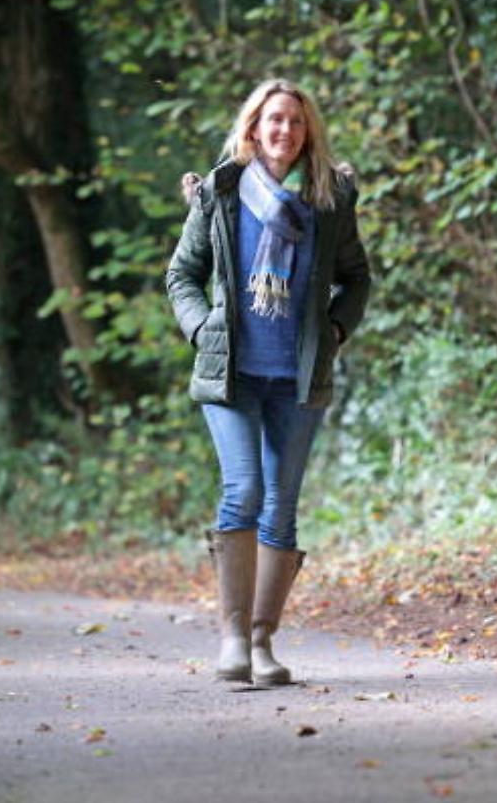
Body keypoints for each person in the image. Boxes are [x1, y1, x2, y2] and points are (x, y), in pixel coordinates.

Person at [166, 79, 371, 685]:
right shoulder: (221, 192)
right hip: (232, 374)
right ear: (254, 127)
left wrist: (337, 328)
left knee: (282, 507)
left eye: (297, 122)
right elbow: (183, 274)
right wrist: (202, 327)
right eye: (274, 119)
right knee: (245, 490)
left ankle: (261, 644)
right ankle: (231, 637)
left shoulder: (330, 199)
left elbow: (356, 278)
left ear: (309, 133)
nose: (285, 131)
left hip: (299, 376)